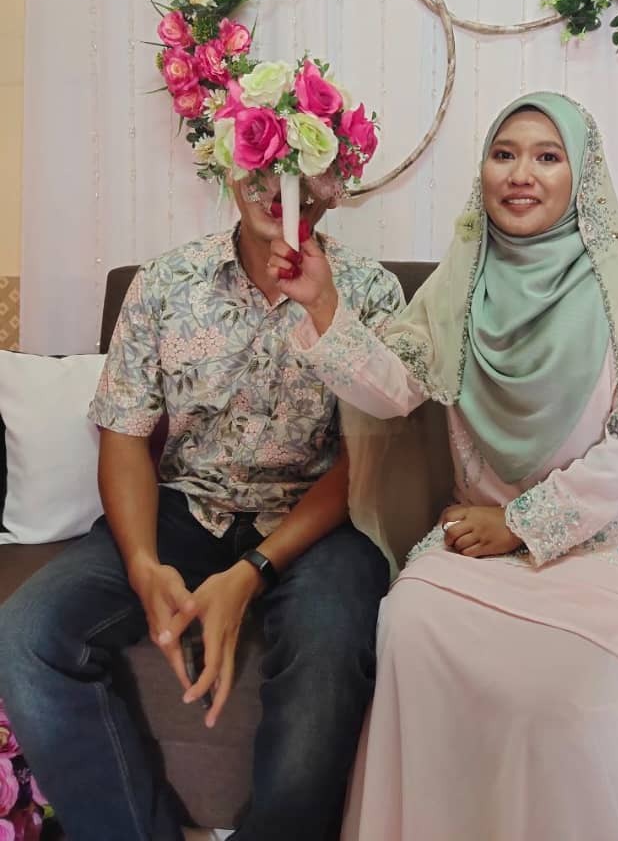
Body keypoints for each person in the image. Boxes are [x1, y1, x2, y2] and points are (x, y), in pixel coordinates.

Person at [268, 92, 618, 841]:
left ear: (581, 177)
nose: (521, 174)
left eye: (548, 157)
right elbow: (394, 392)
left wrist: (522, 523)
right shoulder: (460, 283)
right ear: (482, 172)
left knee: (572, 680)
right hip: (480, 538)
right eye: (504, 153)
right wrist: (323, 308)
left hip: (607, 538)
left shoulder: (616, 288)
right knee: (411, 624)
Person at [0, 175, 401, 841]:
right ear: (230, 167)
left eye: (304, 168)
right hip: (184, 508)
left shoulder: (371, 292)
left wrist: (251, 573)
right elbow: (124, 437)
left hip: (314, 524)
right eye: (262, 164)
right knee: (25, 635)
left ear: (332, 186)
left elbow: (366, 461)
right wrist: (141, 564)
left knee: (330, 649)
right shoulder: (165, 283)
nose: (282, 188)